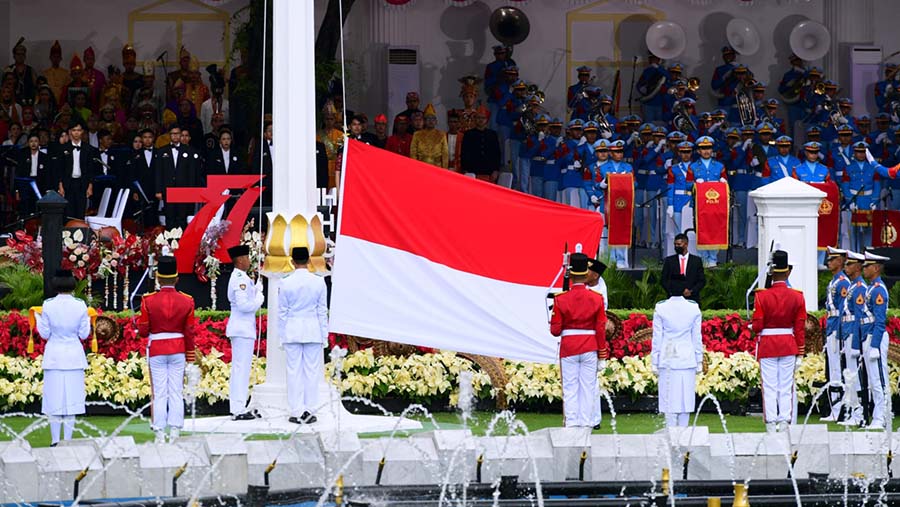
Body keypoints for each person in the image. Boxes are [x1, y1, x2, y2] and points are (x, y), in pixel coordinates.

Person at [137, 256, 196, 442]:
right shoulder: (187, 300)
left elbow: (144, 330)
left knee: (160, 392)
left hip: (156, 348)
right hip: (178, 348)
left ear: (158, 278)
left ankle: (159, 432)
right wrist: (190, 355)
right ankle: (175, 430)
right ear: (177, 278)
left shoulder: (148, 300)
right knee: (176, 390)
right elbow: (189, 331)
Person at [550, 253, 608, 427]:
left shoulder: (560, 299)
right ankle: (585, 422)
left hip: (569, 347)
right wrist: (602, 354)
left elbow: (555, 330)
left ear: (571, 274)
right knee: (588, 388)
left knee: (570, 388)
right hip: (590, 347)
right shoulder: (597, 299)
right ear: (585, 274)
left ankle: (572, 423)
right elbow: (600, 329)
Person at [752, 250, 806, 432]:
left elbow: (758, 325)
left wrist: (752, 327)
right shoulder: (797, 296)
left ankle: (771, 422)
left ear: (771, 272)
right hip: (788, 344)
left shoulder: (761, 296)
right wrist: (801, 351)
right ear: (788, 272)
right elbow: (799, 327)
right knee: (785, 386)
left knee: (769, 386)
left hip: (768, 344)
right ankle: (784, 421)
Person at [36, 269, 91, 446]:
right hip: (74, 356)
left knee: (54, 400)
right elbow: (84, 334)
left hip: (54, 355)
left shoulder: (48, 305)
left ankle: (55, 440)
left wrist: (37, 318)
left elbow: (44, 334)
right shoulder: (80, 305)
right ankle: (67, 441)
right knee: (72, 402)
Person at [278, 247, 328, 424]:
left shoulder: (285, 282)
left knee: (293, 372)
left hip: (292, 330)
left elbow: (282, 312)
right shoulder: (319, 281)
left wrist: (281, 336)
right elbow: (322, 311)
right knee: (312, 372)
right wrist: (325, 335)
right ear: (308, 261)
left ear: (292, 261)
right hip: (313, 329)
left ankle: (296, 411)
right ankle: (310, 410)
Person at [651, 285, 703, 427]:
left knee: (669, 400)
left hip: (668, 356)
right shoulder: (693, 308)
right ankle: (683, 433)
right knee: (685, 399)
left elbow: (657, 337)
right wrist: (699, 360)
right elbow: (696, 337)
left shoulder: (661, 307)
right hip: (687, 357)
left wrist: (654, 361)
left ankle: (671, 433)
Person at [226, 245, 265, 421]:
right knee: (241, 369)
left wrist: (255, 289)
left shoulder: (242, 277)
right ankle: (238, 408)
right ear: (240, 260)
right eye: (247, 258)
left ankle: (239, 405)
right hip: (242, 329)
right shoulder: (239, 279)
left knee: (241, 368)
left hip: (243, 329)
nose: (249, 261)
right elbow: (244, 306)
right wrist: (259, 299)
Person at [859, 250, 891, 430]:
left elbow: (880, 321)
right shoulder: (872, 287)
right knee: (873, 380)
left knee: (879, 379)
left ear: (876, 268)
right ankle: (877, 415)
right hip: (869, 336)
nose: (864, 269)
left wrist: (874, 345)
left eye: (867, 266)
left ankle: (883, 416)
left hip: (875, 338)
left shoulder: (878, 289)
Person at [821, 247, 850, 422]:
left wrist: (839, 334)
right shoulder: (834, 281)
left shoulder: (843, 283)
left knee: (838, 370)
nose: (829, 263)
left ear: (840, 261)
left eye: (832, 260)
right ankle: (835, 407)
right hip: (832, 328)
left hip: (837, 330)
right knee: (833, 371)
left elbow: (842, 311)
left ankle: (839, 408)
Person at [57, 119, 98, 219]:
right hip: (68, 183)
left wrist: (90, 186)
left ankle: (80, 232)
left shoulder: (88, 149)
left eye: (79, 130)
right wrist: (60, 186)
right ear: (70, 131)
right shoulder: (63, 148)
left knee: (81, 210)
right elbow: (60, 169)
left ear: (82, 132)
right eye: (74, 130)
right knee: (68, 211)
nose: (76, 133)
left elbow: (90, 169)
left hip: (82, 183)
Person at [587, 257, 608, 430]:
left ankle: (594, 419)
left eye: (589, 271)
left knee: (592, 382)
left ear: (595, 275)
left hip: (593, 339)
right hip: (582, 340)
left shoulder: (601, 289)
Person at [661, 233, 706, 306]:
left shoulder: (696, 261)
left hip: (692, 299)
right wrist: (673, 292)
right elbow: (664, 280)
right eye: (675, 244)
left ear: (686, 244)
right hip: (673, 299)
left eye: (679, 244)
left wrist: (691, 291)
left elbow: (701, 280)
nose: (676, 246)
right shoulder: (669, 260)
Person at [460, 106, 501, 182]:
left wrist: (496, 170)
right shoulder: (468, 134)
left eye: (483, 118)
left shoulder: (492, 134)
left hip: (490, 173)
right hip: (472, 172)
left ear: (487, 120)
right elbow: (464, 153)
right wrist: (465, 170)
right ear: (475, 119)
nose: (480, 120)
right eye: (478, 118)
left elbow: (497, 153)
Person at [409, 104, 448, 168]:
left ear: (436, 121)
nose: (430, 121)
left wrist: (444, 170)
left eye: (433, 119)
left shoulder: (441, 135)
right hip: (421, 167)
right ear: (424, 121)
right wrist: (415, 168)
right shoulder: (417, 135)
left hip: (437, 168)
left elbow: (445, 155)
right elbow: (413, 154)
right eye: (428, 118)